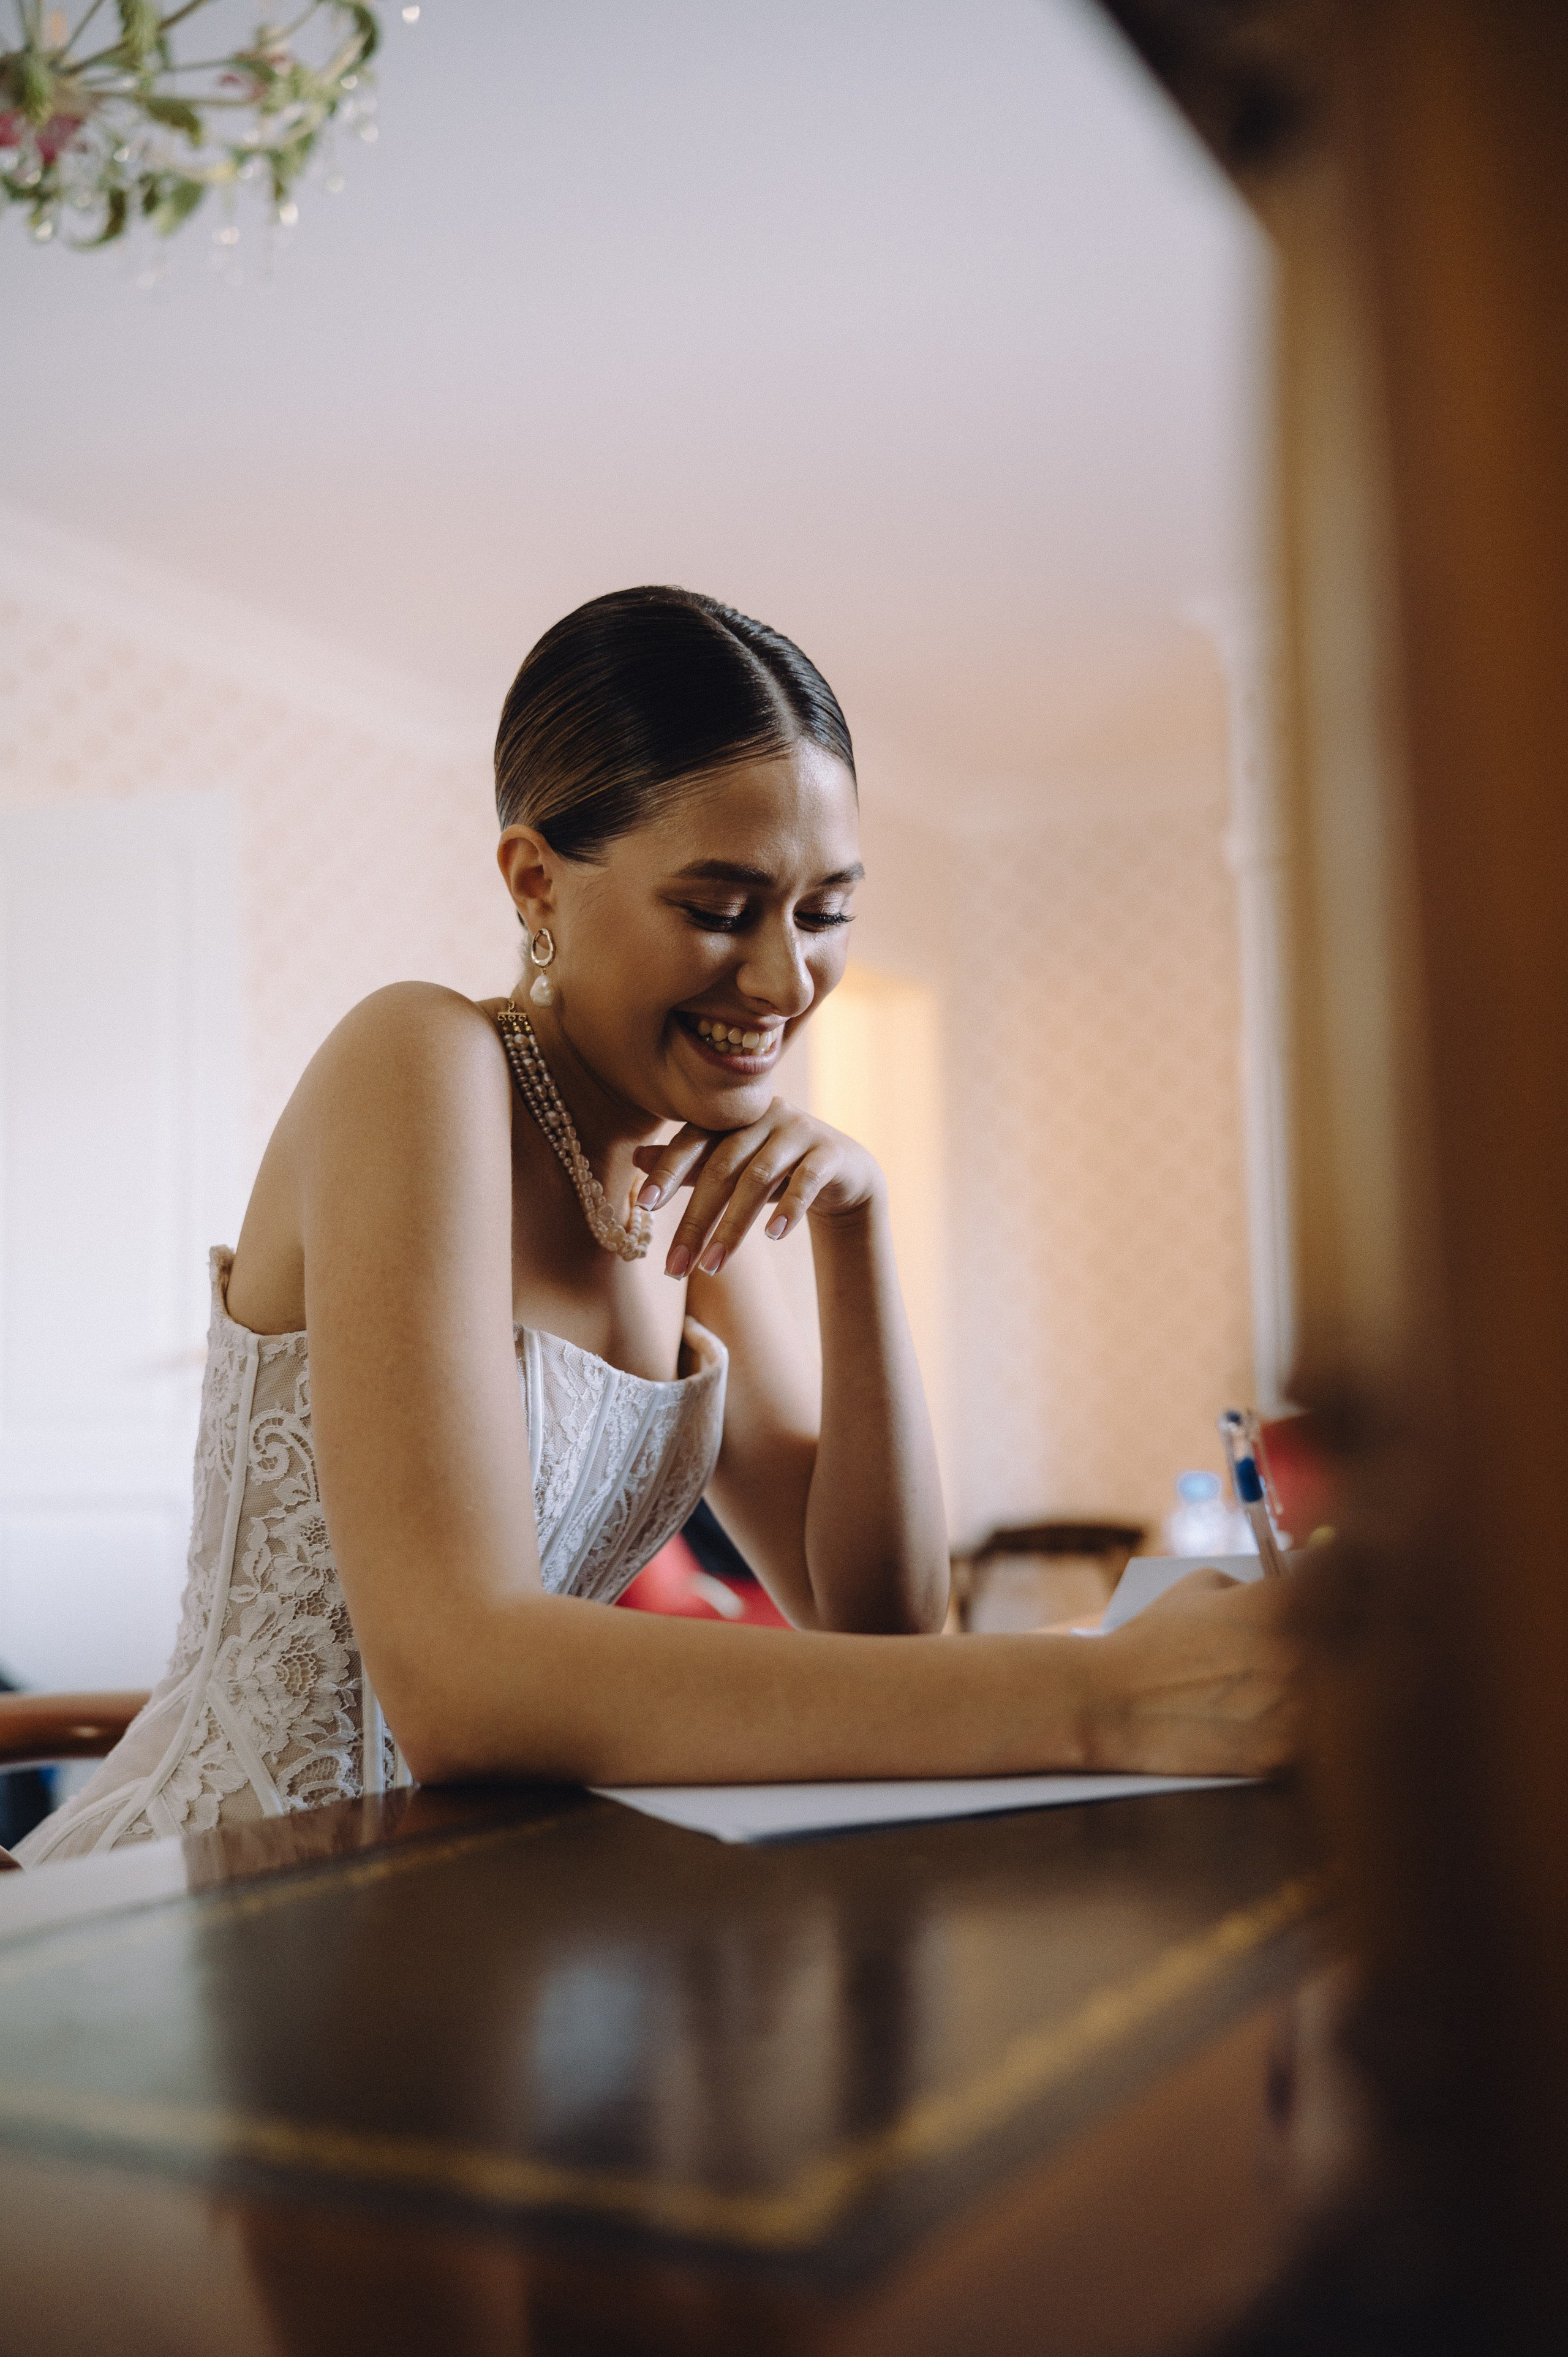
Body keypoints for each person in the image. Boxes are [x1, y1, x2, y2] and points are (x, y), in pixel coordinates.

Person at [14, 588, 1295, 1865]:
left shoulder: (677, 1188)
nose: (787, 980)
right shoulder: (419, 1060)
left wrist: (856, 1228)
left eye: (827, 909)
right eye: (719, 906)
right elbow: (463, 1681)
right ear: (535, 881)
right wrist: (1108, 1697)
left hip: (456, 1900)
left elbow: (885, 1626)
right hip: (218, 1905)